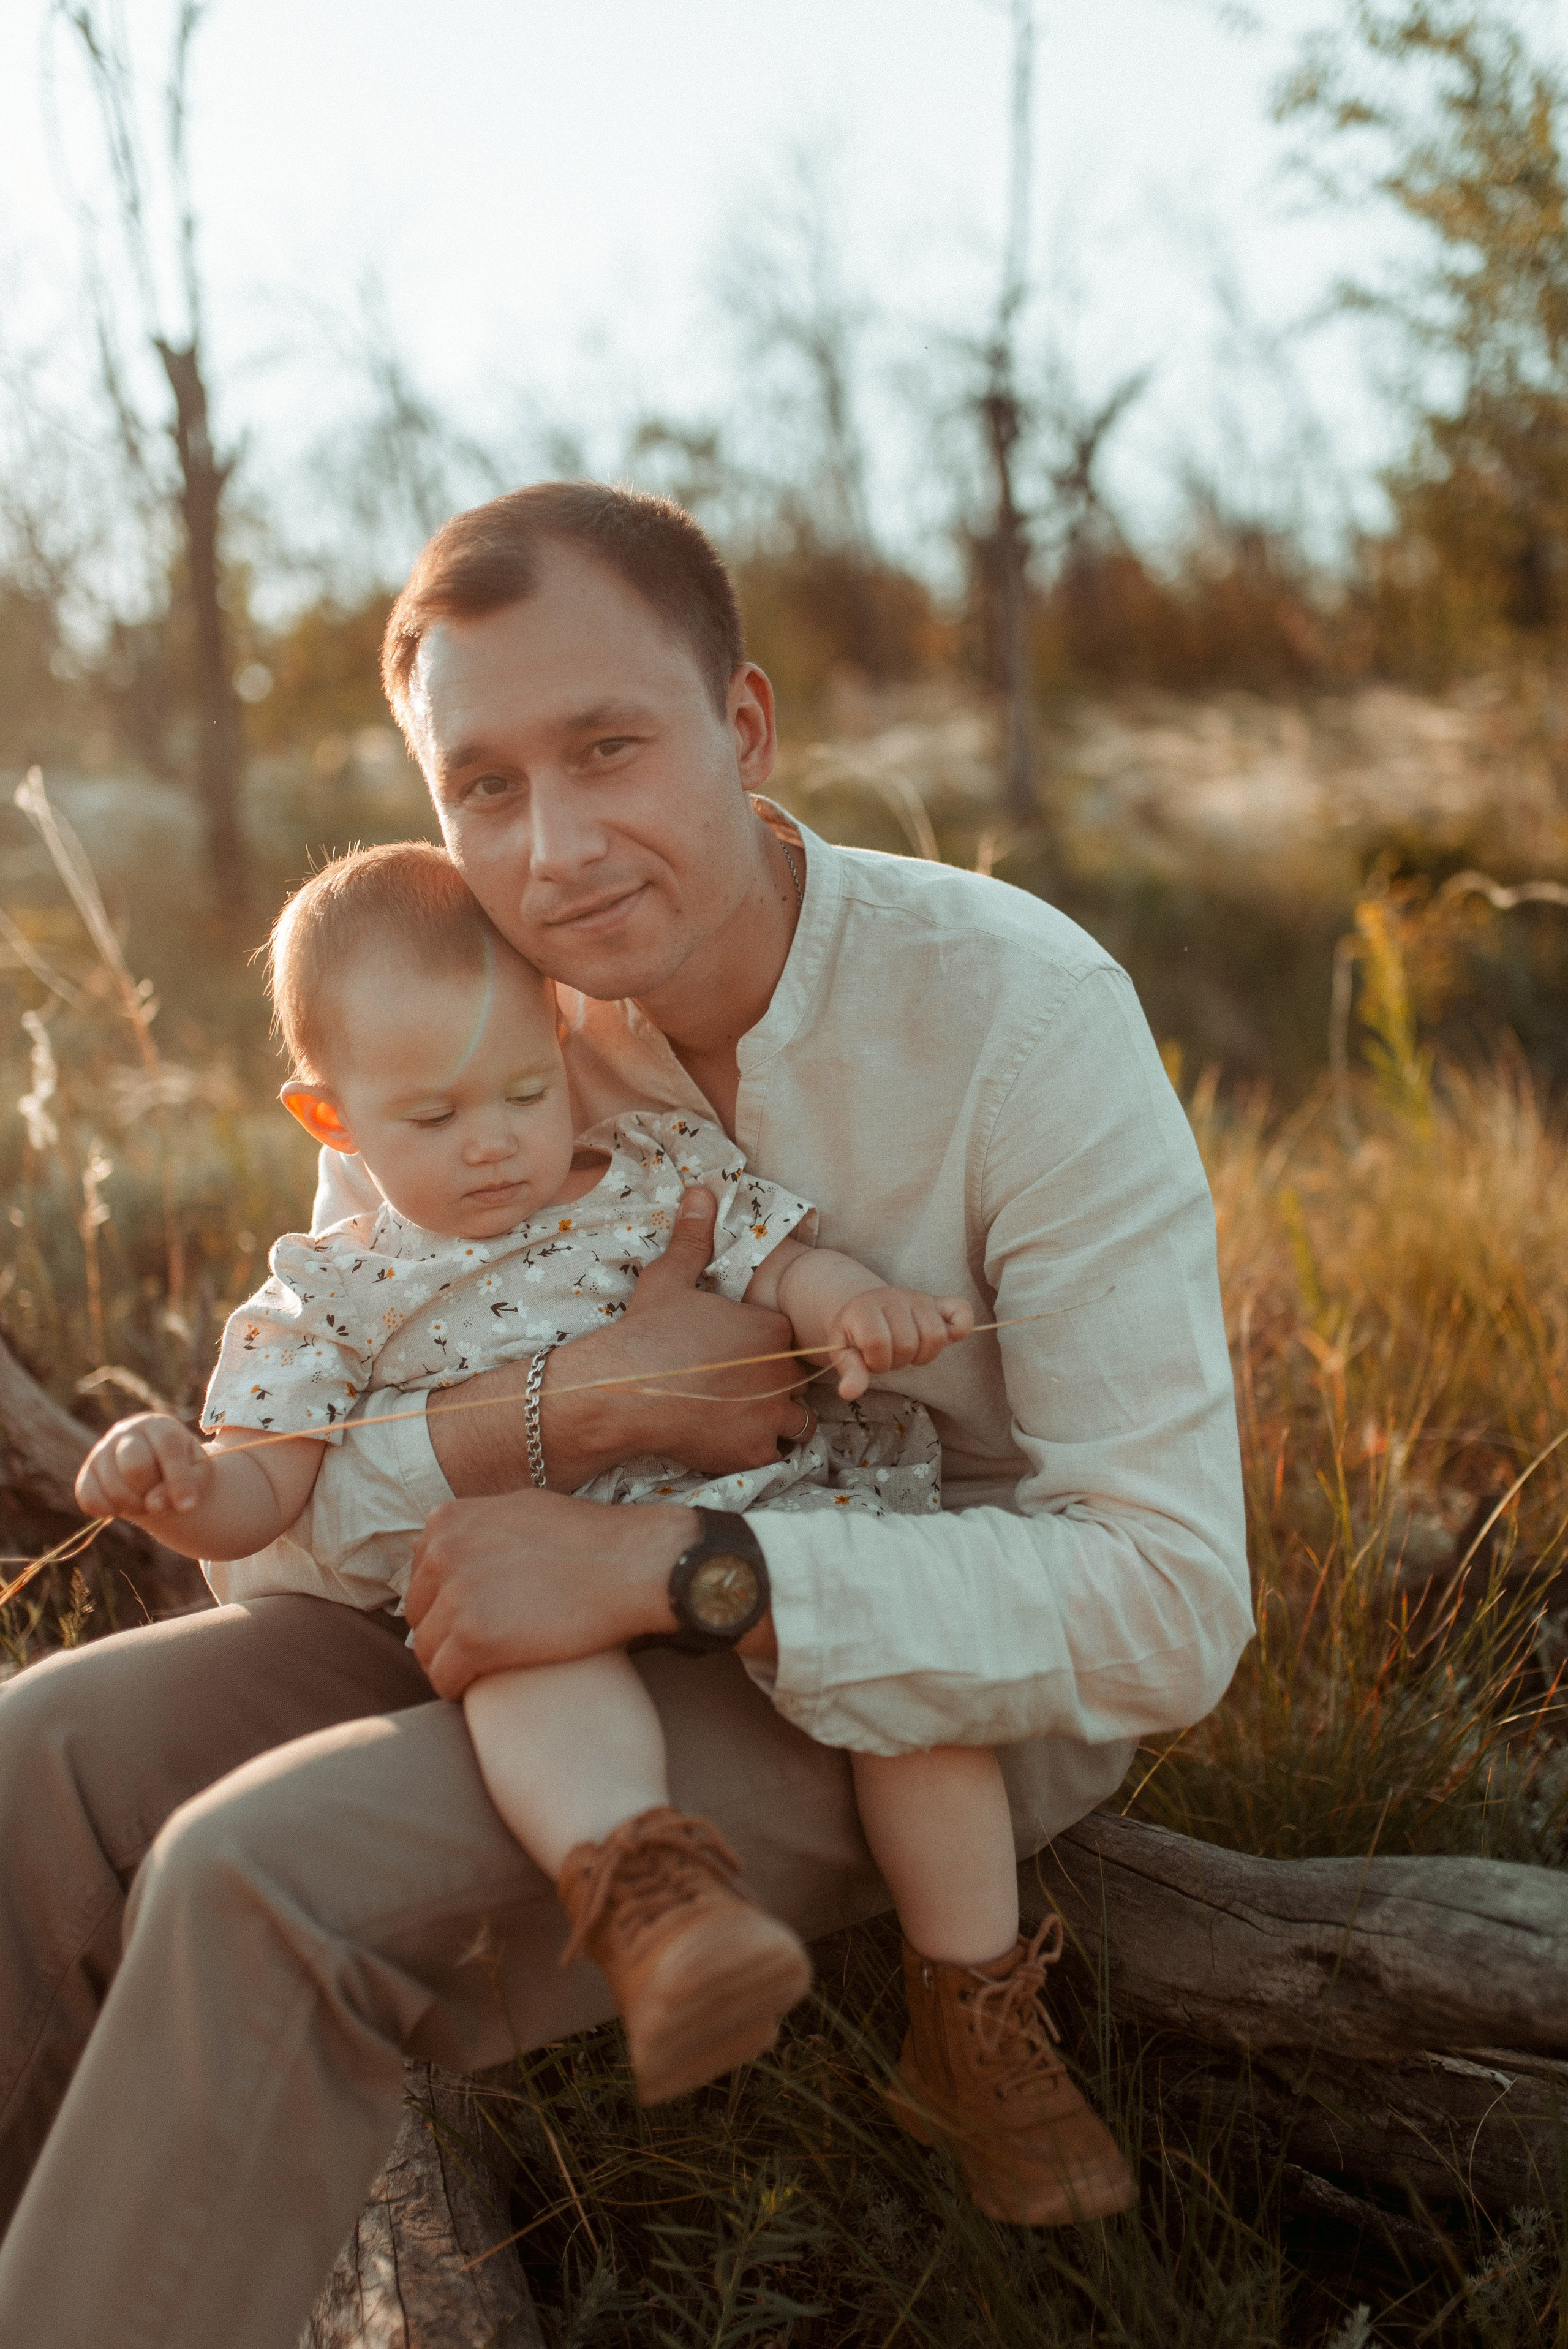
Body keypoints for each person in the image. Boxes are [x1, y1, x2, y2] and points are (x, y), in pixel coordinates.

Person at [0, 482, 1251, 2349]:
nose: (554, 845)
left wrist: (681, 1562)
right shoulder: (461, 1015)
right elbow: (308, 1520)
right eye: (484, 784)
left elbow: (1167, 1597)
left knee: (258, 1877)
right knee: (37, 1768)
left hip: (918, 1654)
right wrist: (555, 1421)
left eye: (607, 747)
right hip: (518, 1624)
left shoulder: (1019, 1012)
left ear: (742, 729)